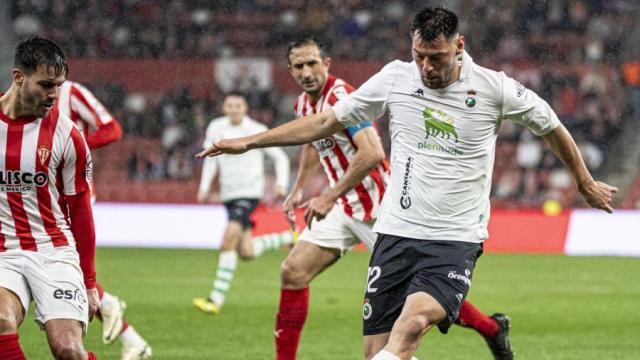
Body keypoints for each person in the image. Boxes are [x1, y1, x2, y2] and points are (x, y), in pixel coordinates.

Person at [196, 7, 618, 360]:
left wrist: (583, 181)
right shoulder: (397, 77)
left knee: (411, 326)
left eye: (435, 57)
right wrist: (248, 142)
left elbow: (551, 125)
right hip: (395, 231)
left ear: (459, 47)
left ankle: (488, 327)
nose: (426, 68)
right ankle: (492, 328)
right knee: (373, 347)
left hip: (453, 237)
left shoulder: (494, 88)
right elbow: (325, 123)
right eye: (419, 56)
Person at [274, 38, 513, 360]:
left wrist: (328, 195)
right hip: (345, 208)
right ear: (290, 70)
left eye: (312, 63)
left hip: (382, 210)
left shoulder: (341, 96)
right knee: (292, 271)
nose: (307, 72)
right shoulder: (304, 104)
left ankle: (491, 329)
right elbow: (312, 143)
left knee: (425, 292)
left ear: (326, 64)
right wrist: (298, 189)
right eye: (299, 66)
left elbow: (372, 152)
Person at [0, 36, 99, 360]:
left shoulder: (68, 135)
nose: (53, 95)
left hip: (53, 249)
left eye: (58, 85)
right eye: (45, 85)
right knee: (1, 320)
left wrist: (89, 281)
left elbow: (80, 210)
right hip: (4, 251)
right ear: (18, 77)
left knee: (68, 350)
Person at [54, 81, 151, 360]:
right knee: (61, 269)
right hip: (41, 195)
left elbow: (112, 129)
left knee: (62, 267)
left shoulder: (72, 92)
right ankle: (132, 340)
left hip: (71, 193)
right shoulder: (20, 99)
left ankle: (109, 307)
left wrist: (76, 146)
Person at [193, 92, 291, 315]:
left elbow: (280, 157)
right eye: (230, 105)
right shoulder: (216, 127)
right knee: (246, 251)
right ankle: (287, 238)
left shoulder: (256, 128)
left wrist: (281, 184)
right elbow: (210, 158)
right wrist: (204, 186)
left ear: (245, 108)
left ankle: (215, 299)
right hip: (229, 194)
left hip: (249, 192)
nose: (234, 109)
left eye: (238, 105)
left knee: (228, 240)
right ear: (224, 108)